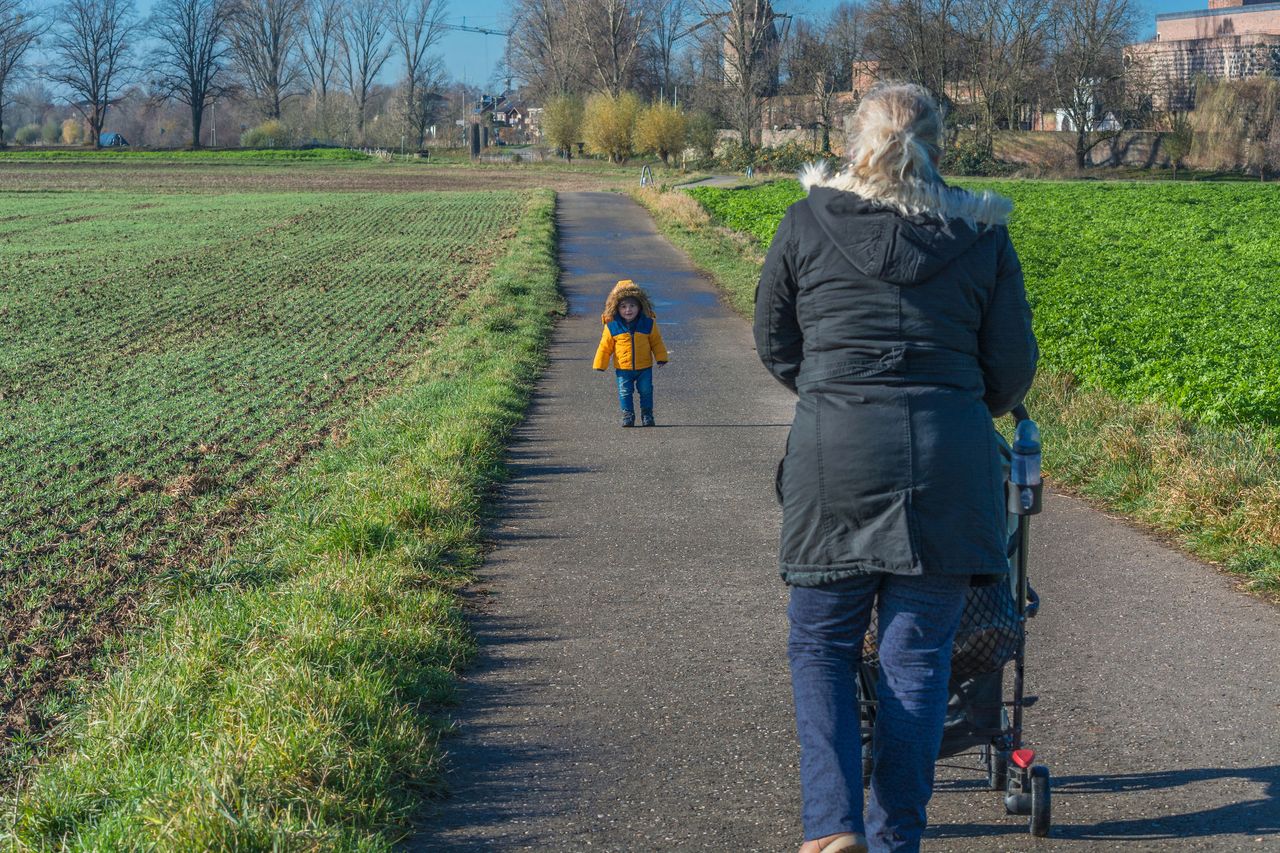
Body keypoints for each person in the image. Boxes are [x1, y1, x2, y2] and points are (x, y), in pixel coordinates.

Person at [753, 83, 1038, 853]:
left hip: (833, 462)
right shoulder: (982, 234)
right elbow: (1009, 370)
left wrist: (830, 392)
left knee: (821, 646)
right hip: (947, 469)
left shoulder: (806, 222)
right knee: (918, 661)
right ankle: (895, 838)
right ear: (940, 147)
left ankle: (831, 825)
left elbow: (776, 343)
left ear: (853, 142)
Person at [593, 279, 669, 427]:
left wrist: (661, 357)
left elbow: (656, 342)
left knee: (646, 391)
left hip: (644, 367)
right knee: (624, 392)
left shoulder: (648, 323)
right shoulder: (612, 326)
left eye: (632, 306)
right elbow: (604, 346)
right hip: (623, 369)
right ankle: (628, 415)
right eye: (623, 306)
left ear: (640, 307)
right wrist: (600, 364)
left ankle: (647, 414)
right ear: (616, 308)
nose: (628, 310)